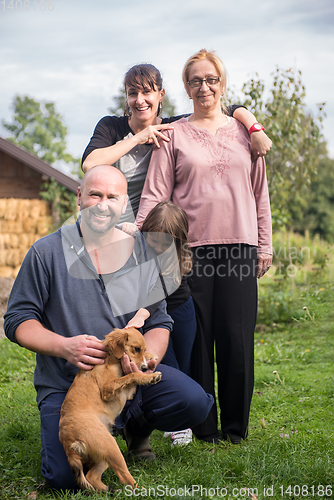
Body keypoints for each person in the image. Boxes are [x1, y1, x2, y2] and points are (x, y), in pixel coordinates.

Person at [4, 165, 214, 492]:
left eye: (112, 197)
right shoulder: (45, 253)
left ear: (123, 204)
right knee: (64, 479)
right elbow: (17, 321)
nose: (103, 204)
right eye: (95, 195)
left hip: (128, 379)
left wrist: (150, 358)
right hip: (71, 388)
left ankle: (134, 428)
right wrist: (63, 346)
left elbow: (159, 320)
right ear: (79, 197)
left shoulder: (142, 253)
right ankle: (99, 432)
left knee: (194, 402)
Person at [136, 49, 273, 445]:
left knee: (236, 338)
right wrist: (144, 241)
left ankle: (234, 430)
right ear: (186, 87)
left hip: (241, 247)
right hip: (190, 251)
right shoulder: (174, 134)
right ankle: (205, 428)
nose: (204, 86)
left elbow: (259, 193)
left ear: (222, 83)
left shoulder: (245, 134)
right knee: (198, 341)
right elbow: (156, 193)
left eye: (211, 79)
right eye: (195, 80)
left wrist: (264, 245)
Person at [81, 63, 272, 223]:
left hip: (147, 234)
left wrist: (255, 129)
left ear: (160, 95)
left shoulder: (173, 128)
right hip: (105, 226)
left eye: (147, 92)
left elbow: (229, 110)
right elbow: (90, 164)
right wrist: (138, 138)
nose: (140, 100)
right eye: (133, 93)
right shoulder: (112, 127)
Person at [123, 201, 196, 446]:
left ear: (176, 241)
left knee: (182, 364)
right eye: (151, 240)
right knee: (164, 361)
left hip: (179, 310)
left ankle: (182, 425)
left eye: (162, 243)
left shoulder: (176, 256)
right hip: (157, 316)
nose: (156, 247)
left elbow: (162, 288)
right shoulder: (140, 241)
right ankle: (156, 419)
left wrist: (142, 313)